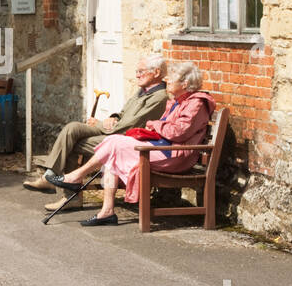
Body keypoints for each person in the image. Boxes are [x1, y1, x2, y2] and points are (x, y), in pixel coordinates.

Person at [45, 60, 215, 227]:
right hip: (163, 148)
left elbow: (177, 132)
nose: (168, 80)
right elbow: (168, 129)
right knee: (112, 149)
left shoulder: (196, 103)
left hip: (175, 155)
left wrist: (154, 124)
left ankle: (75, 177)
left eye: (172, 77)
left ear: (185, 84)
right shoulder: (178, 101)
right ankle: (107, 211)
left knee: (114, 144)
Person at [23, 56, 169, 209]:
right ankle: (50, 176)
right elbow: (123, 113)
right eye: (137, 71)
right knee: (73, 128)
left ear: (157, 72)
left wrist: (99, 123)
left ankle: (70, 198)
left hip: (123, 138)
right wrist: (113, 117)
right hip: (112, 129)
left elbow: (130, 125)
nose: (137, 75)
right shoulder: (142, 90)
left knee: (74, 144)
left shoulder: (159, 97)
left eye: (141, 71)